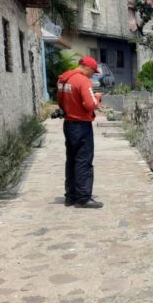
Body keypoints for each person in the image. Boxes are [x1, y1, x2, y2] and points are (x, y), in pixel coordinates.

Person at [56, 56, 104, 209]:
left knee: (71, 160)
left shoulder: (63, 79)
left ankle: (70, 196)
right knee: (84, 160)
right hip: (82, 125)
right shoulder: (82, 81)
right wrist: (97, 98)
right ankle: (83, 197)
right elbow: (90, 104)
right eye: (93, 72)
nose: (93, 75)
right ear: (87, 68)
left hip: (68, 123)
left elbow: (60, 102)